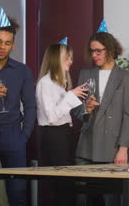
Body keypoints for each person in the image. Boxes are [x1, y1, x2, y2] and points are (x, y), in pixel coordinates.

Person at [0, 10, 36, 205]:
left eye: (7, 43)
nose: (2, 47)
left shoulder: (22, 70)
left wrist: (24, 136)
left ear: (13, 45)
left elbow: (30, 106)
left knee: (18, 191)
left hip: (14, 135)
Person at [76, 32, 129, 205]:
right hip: (86, 146)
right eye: (92, 51)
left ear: (110, 50)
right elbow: (75, 110)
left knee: (111, 200)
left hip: (112, 148)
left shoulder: (127, 77)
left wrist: (123, 147)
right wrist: (85, 108)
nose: (94, 55)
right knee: (83, 200)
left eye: (98, 51)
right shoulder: (85, 74)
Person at [36, 43, 88, 205]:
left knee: (66, 185)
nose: (71, 61)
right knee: (61, 186)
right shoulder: (45, 83)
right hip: (53, 136)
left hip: (63, 134)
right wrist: (71, 96)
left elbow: (64, 112)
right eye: (67, 57)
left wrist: (84, 105)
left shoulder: (59, 83)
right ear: (56, 59)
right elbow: (52, 117)